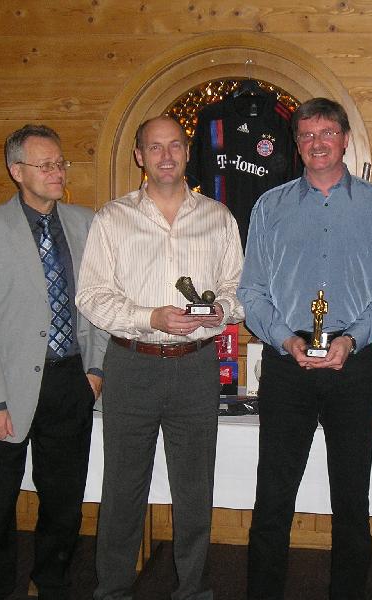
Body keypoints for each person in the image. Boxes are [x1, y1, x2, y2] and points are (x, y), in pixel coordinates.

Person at [75, 115, 245, 600]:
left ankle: (193, 591)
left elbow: (240, 291)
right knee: (123, 490)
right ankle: (113, 591)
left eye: (174, 146)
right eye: (155, 147)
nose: (166, 155)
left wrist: (219, 310)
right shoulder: (112, 219)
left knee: (195, 491)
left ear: (187, 152)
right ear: (139, 156)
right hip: (131, 365)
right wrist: (151, 318)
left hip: (197, 366)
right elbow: (91, 296)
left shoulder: (219, 218)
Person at [239, 97, 372, 600]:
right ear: (297, 143)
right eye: (306, 135)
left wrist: (352, 340)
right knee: (272, 500)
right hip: (287, 369)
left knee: (352, 503)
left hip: (353, 372)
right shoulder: (271, 206)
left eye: (326, 133)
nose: (316, 144)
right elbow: (252, 293)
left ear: (345, 139)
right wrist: (285, 338)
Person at [0, 124, 108, 600]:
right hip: (5, 389)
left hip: (71, 382)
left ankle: (53, 583)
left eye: (60, 163)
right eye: (45, 165)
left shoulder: (87, 223)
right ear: (16, 171)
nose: (57, 172)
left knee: (64, 506)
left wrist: (96, 372)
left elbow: (100, 304)